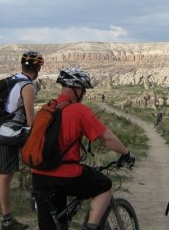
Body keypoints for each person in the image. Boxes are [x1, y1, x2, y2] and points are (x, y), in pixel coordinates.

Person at [31, 67, 136, 230]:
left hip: (38, 174)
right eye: (84, 90)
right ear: (77, 89)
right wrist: (126, 154)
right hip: (64, 174)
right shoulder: (79, 111)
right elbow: (107, 138)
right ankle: (91, 226)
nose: (84, 94)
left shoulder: (46, 109)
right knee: (105, 185)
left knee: (55, 224)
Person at [0, 51, 44, 230]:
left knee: (5, 176)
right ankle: (39, 202)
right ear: (37, 68)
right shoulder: (28, 86)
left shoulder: (13, 80)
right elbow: (31, 121)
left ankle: (6, 219)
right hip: (16, 133)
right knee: (39, 160)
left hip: (2, 132)